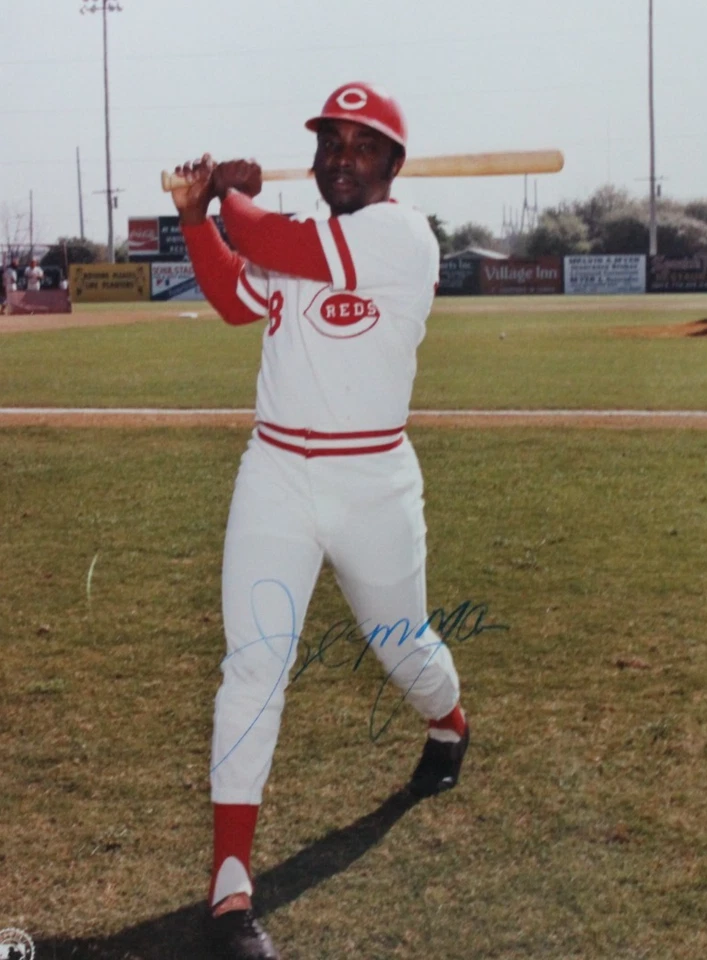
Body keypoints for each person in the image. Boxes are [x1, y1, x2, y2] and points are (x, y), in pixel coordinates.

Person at [171, 82, 469, 960]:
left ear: (392, 167)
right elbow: (237, 297)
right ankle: (230, 886)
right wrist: (200, 217)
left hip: (372, 480)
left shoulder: (400, 236)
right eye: (331, 142)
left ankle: (447, 721)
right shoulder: (305, 239)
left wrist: (229, 195)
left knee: (403, 643)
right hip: (276, 476)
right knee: (254, 665)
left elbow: (263, 236)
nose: (343, 156)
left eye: (362, 144)